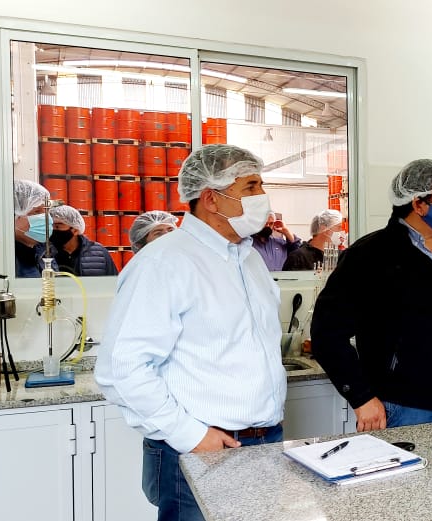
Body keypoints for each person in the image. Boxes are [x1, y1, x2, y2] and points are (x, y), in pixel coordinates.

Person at [95, 144, 286, 521]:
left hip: (263, 441)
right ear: (211, 199)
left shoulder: (249, 258)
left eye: (261, 185)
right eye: (250, 187)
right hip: (202, 448)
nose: (262, 196)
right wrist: (191, 435)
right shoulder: (164, 261)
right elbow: (122, 368)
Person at [312, 159, 432, 431]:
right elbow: (327, 334)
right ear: (418, 204)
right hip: (399, 408)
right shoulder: (370, 256)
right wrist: (361, 397)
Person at [47, 205, 118, 276]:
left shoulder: (99, 253)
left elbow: (113, 279)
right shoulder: (45, 252)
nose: (53, 230)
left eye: (57, 226)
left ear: (75, 230)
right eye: (51, 226)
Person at [13, 180, 56, 277]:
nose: (46, 218)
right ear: (14, 216)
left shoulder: (45, 252)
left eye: (47, 211)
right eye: (37, 211)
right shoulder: (3, 259)